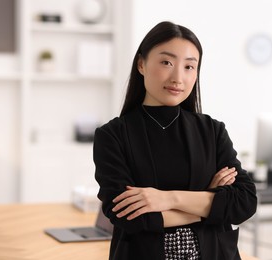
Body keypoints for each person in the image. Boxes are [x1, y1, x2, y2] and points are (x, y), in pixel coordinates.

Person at [93, 21, 258, 260]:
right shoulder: (113, 136)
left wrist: (167, 198)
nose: (178, 77)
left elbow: (244, 202)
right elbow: (129, 217)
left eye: (190, 67)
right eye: (166, 62)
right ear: (141, 64)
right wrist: (209, 199)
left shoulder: (212, 131)